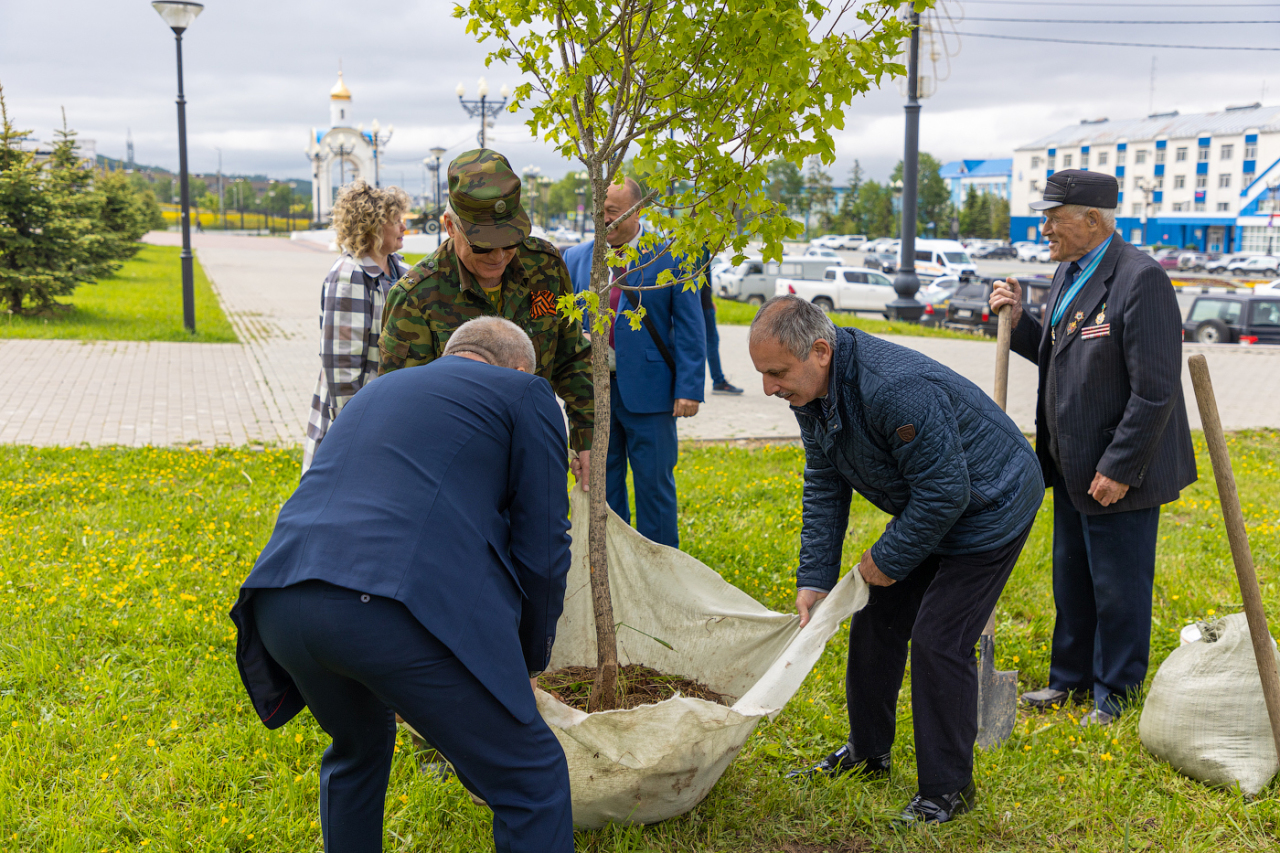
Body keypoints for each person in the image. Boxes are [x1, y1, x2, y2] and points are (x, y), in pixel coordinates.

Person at [230, 317, 574, 853]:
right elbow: (544, 547)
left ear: (453, 353)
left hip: (279, 597)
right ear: (520, 368)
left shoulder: (378, 390)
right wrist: (526, 661)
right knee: (532, 779)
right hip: (387, 607)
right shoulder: (526, 393)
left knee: (358, 749)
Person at [749, 296, 1043, 825]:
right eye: (764, 375)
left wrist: (885, 559)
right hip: (931, 502)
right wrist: (815, 578)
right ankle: (868, 756)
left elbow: (946, 493)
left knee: (939, 641)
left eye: (776, 373)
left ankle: (947, 791)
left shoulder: (894, 389)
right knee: (876, 617)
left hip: (991, 504)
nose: (769, 388)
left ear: (820, 351)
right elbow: (824, 483)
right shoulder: (811, 397)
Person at [989, 170, 1195, 726]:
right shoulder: (1068, 271)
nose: (1045, 226)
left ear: (1092, 220)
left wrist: (1120, 467)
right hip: (1071, 463)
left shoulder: (1141, 279)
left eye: (1055, 217)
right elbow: (1060, 353)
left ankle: (1117, 694)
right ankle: (1071, 680)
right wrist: (1018, 320)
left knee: (1119, 588)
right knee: (1073, 579)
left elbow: (1156, 392)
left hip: (1117, 469)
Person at [378, 149, 594, 489]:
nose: (499, 256)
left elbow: (572, 355)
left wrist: (587, 437)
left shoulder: (546, 267)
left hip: (536, 456)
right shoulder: (418, 297)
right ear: (450, 226)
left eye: (510, 241)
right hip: (455, 471)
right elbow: (400, 405)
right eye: (483, 246)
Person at [561, 178, 706, 548]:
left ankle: (660, 568)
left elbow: (691, 327)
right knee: (603, 486)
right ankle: (614, 565)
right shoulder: (576, 257)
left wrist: (689, 389)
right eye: (600, 212)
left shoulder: (671, 255)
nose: (604, 220)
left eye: (612, 212)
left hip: (651, 392)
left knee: (654, 485)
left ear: (637, 211)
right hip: (596, 395)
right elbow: (565, 324)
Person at [302, 180, 410, 473]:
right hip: (355, 416)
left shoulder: (400, 271)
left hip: (383, 409)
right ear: (372, 225)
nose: (403, 226)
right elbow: (341, 362)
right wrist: (349, 427)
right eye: (394, 220)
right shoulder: (350, 276)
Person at [700, 262, 743, 395]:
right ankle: (718, 381)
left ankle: (718, 380)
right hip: (701, 305)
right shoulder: (701, 245)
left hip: (703, 303)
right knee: (711, 341)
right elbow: (697, 280)